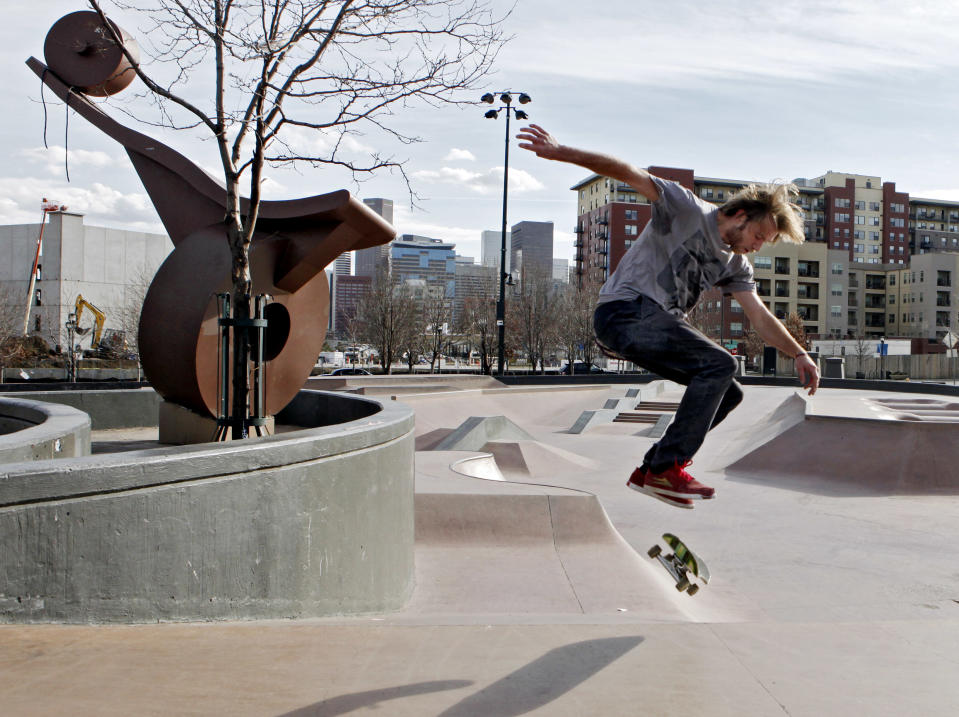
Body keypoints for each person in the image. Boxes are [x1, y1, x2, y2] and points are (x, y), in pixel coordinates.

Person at [517, 124, 820, 509]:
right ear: (740, 215)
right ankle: (667, 466)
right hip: (624, 310)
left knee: (728, 391)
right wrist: (561, 151)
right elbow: (627, 172)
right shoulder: (685, 207)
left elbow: (759, 316)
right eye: (758, 236)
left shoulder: (735, 265)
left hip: (651, 324)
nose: (757, 247)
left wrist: (799, 354)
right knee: (719, 363)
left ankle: (650, 471)